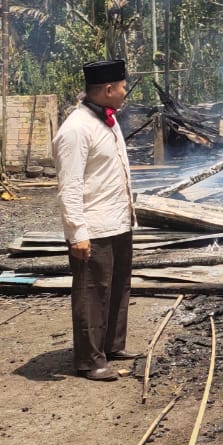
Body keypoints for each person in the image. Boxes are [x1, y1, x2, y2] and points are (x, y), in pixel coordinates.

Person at [52, 58, 137, 381]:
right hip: (94, 227)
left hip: (118, 220)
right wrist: (77, 233)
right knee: (92, 293)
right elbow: (69, 186)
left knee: (117, 287)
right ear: (108, 89)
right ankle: (89, 360)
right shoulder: (75, 129)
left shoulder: (108, 121)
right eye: (123, 86)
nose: (126, 91)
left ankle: (112, 346)